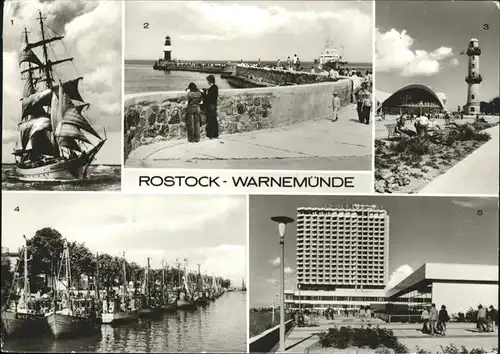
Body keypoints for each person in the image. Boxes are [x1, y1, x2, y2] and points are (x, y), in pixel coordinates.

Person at [203, 75, 219, 139]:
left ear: (209, 81)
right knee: (214, 120)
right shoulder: (215, 87)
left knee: (210, 120)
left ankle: (210, 135)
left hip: (210, 106)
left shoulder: (212, 88)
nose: (207, 82)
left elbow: (209, 98)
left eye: (208, 81)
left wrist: (204, 94)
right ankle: (215, 134)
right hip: (214, 105)